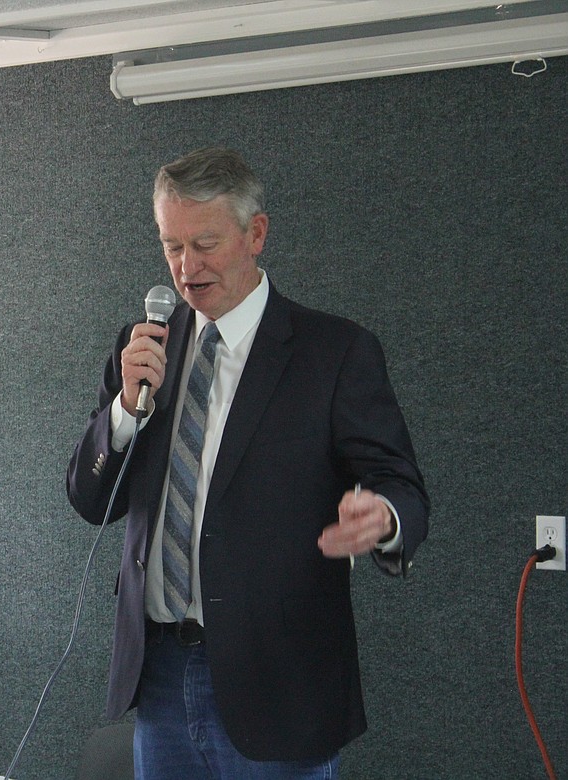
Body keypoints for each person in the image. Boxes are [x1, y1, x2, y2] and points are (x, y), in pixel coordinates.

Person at [67, 147, 429, 779]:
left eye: (204, 243)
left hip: (278, 679)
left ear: (255, 233)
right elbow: (91, 499)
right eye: (171, 246)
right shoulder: (143, 349)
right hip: (158, 673)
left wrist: (385, 516)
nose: (186, 267)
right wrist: (125, 410)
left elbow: (402, 484)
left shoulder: (332, 352)